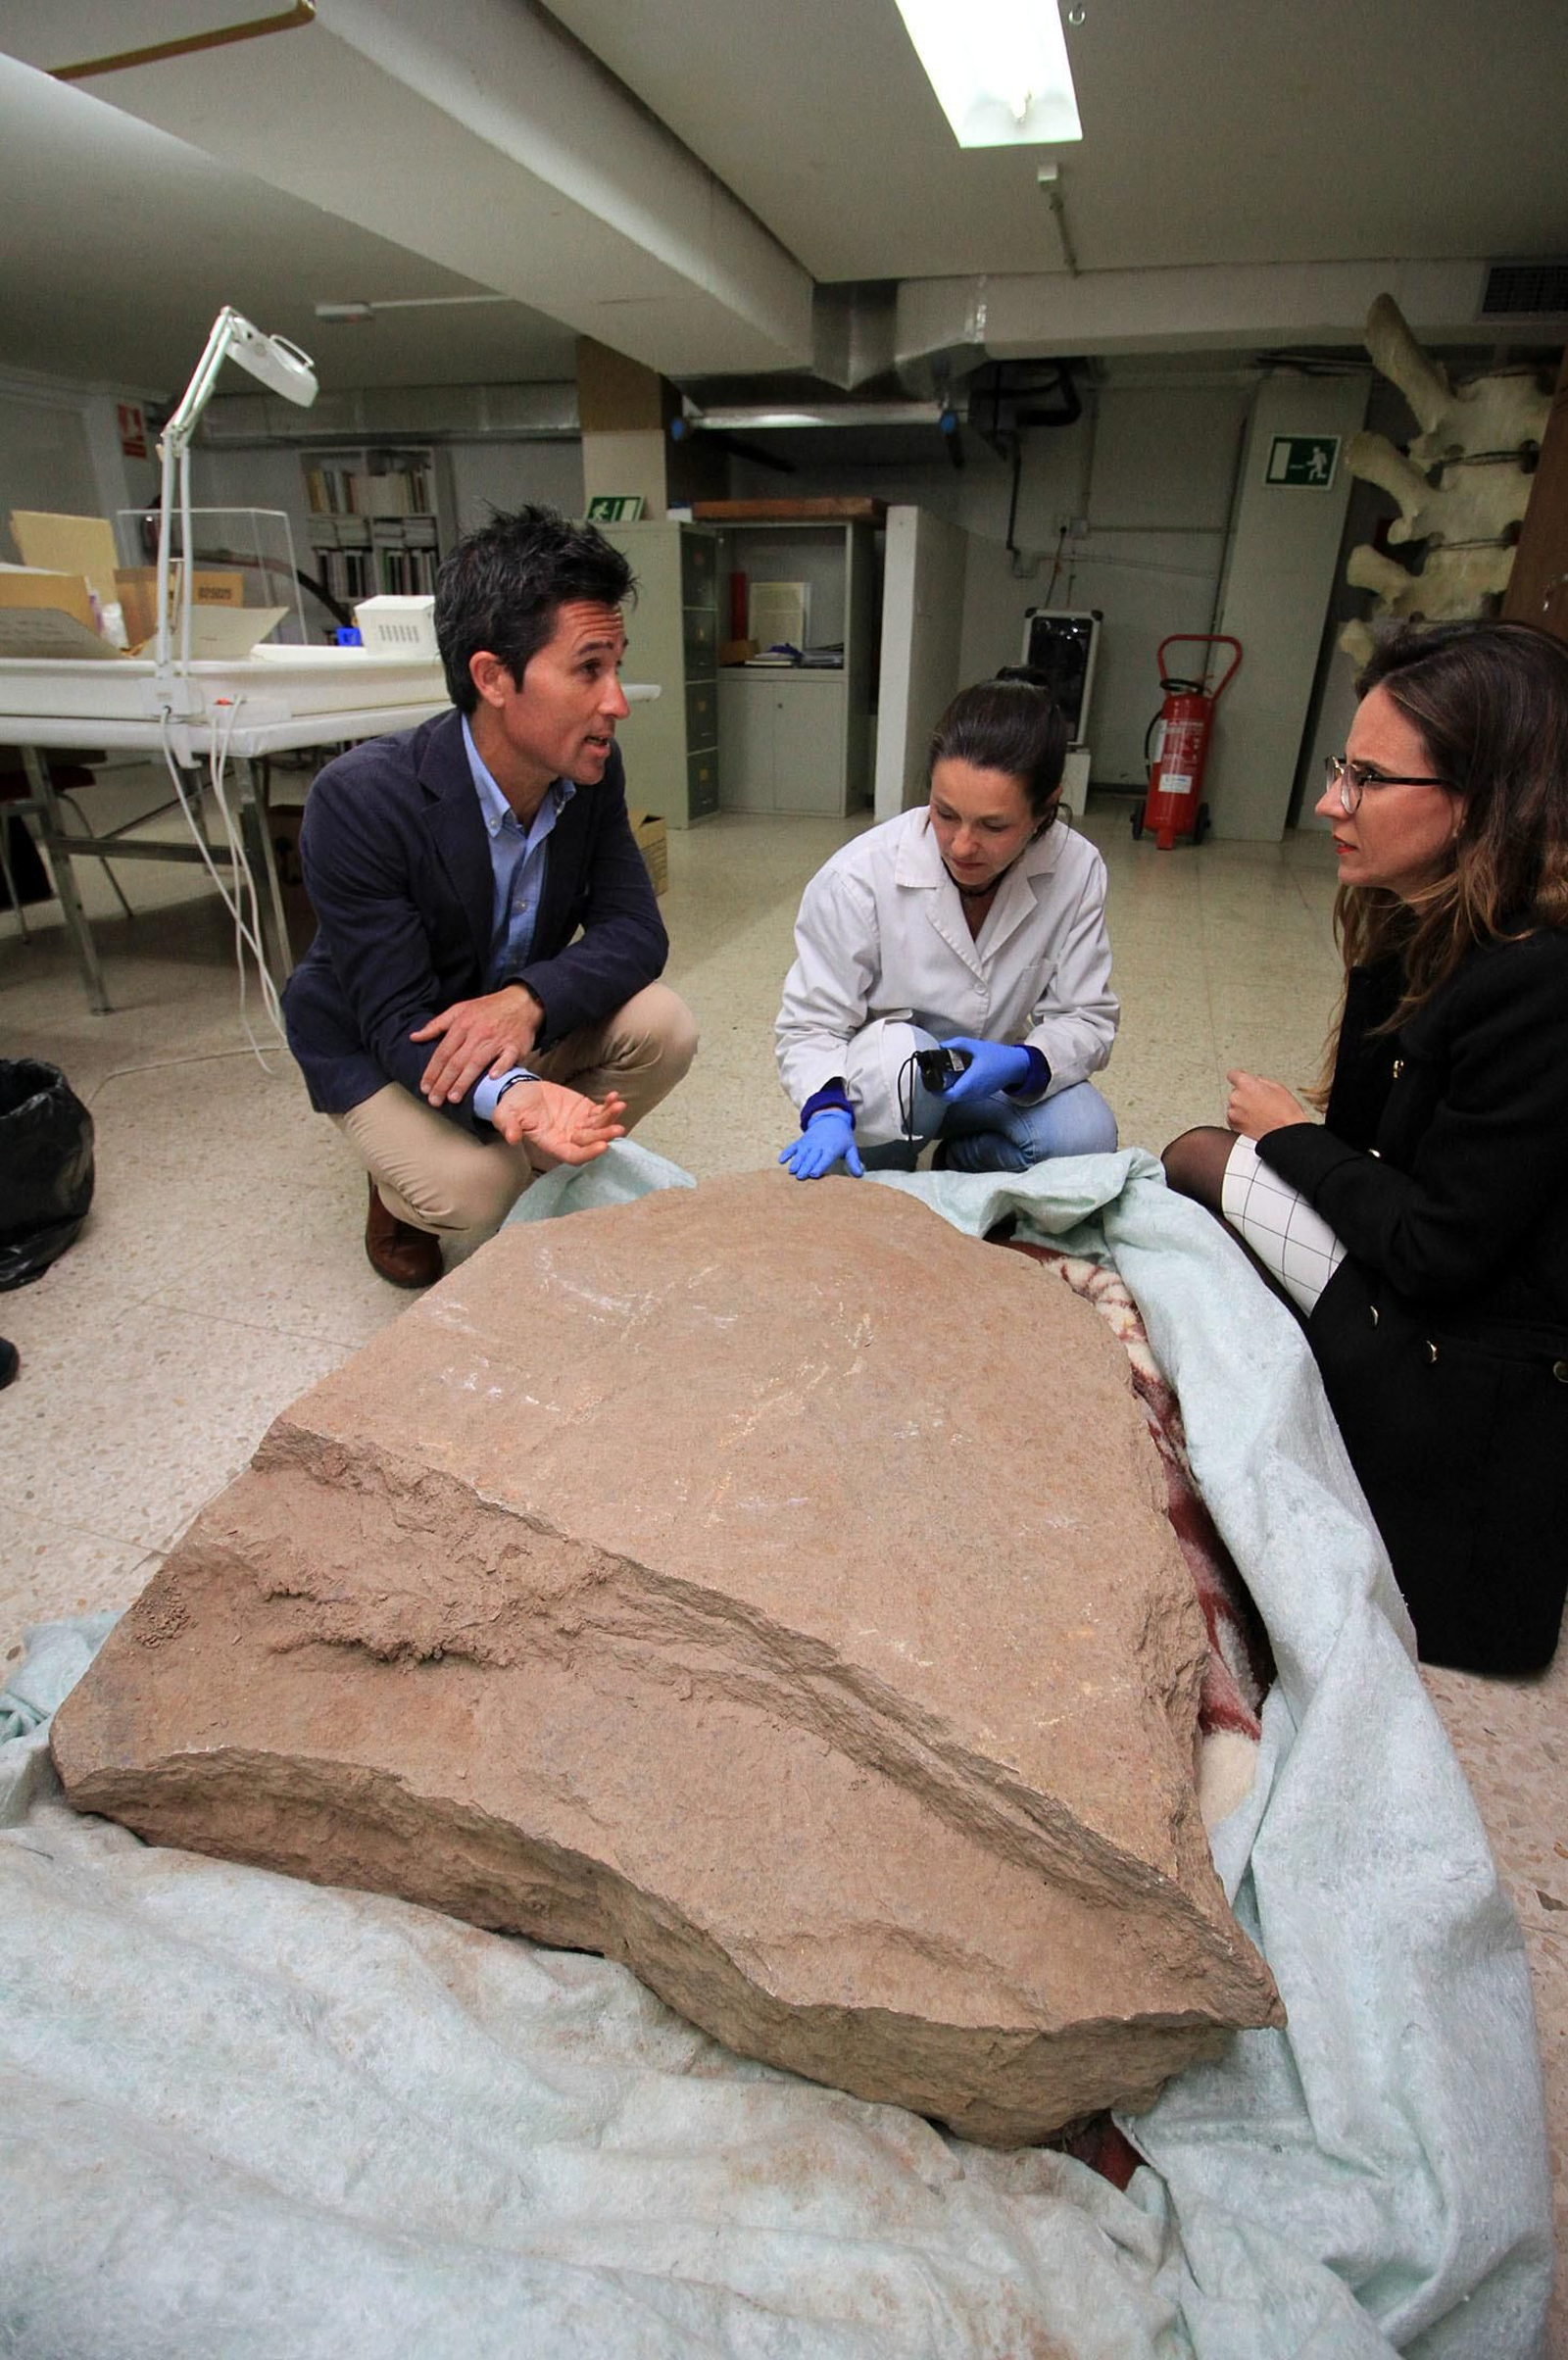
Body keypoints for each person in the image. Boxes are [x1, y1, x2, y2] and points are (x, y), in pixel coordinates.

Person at [1162, 619, 1568, 1676]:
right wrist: (1315, 1145)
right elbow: (1367, 1141)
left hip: (1463, 1357)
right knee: (1196, 1171)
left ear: (1483, 800)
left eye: (1368, 778)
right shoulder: (1414, 917)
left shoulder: (1539, 981)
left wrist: (1293, 1138)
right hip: (1423, 1279)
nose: (1329, 803)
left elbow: (1439, 1251)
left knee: (1202, 1165)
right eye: (1343, 769)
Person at [284, 506, 697, 1286]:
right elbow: (394, 1016)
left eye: (617, 666)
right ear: (492, 677)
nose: (617, 702)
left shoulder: (590, 769)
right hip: (385, 1038)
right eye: (588, 669)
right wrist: (515, 1090)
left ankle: (517, 1145)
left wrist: (527, 1002)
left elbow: (636, 931)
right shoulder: (361, 799)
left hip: (502, 1013)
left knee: (665, 1027)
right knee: (475, 1192)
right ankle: (404, 1184)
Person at [775, 672, 1118, 1178]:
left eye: (993, 825)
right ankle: (889, 1162)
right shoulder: (857, 877)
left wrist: (1024, 1063)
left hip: (995, 1081)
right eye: (946, 813)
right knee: (903, 1070)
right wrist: (827, 1109)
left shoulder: (1076, 867)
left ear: (1045, 809)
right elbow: (810, 1025)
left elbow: (1086, 1017)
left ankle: (961, 1160)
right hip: (887, 1086)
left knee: (1086, 1139)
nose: (961, 846)